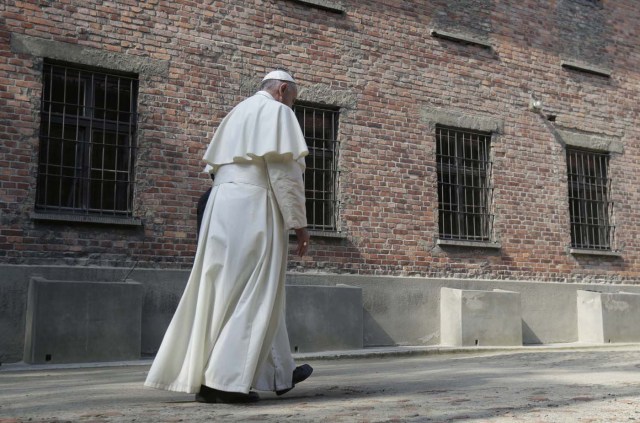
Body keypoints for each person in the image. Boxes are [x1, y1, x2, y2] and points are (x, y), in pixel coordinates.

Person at [145, 69, 313, 403]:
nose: (292, 105)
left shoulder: (238, 111)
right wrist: (299, 224)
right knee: (255, 292)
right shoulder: (278, 111)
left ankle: (278, 372)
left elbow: (215, 168)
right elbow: (284, 173)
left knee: (225, 290)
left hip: (221, 206)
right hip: (255, 204)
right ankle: (223, 381)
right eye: (294, 98)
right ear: (282, 90)